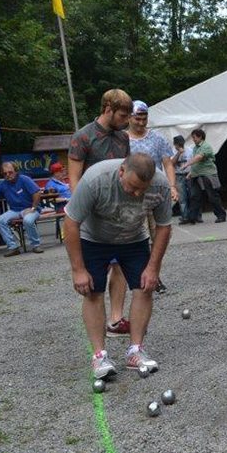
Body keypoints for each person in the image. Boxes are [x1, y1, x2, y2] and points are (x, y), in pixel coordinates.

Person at [64, 154, 172, 379]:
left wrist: (153, 267)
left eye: (143, 189)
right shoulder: (96, 179)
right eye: (133, 188)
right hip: (94, 240)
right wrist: (78, 270)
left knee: (145, 287)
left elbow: (163, 227)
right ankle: (99, 356)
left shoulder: (160, 185)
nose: (138, 194)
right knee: (93, 292)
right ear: (121, 172)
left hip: (134, 240)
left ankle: (135, 351)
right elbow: (71, 223)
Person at [68, 88, 132, 337]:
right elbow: (74, 180)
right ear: (108, 110)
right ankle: (96, 319)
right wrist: (79, 215)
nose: (126, 121)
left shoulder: (123, 138)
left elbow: (126, 172)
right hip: (91, 213)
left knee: (121, 266)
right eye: (123, 115)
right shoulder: (82, 137)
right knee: (98, 270)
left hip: (119, 212)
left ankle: (116, 320)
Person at [127, 100, 178, 293]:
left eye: (144, 118)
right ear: (130, 118)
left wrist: (172, 186)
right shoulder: (123, 140)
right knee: (140, 236)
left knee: (160, 236)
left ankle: (154, 273)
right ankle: (142, 275)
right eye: (137, 118)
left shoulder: (157, 138)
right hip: (134, 196)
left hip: (157, 193)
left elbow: (168, 163)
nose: (141, 122)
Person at [0, 162, 43, 256]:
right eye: (4, 173)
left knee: (27, 220)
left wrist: (33, 207)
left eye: (10, 172)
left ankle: (36, 245)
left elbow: (37, 192)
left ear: (16, 171)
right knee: (0, 220)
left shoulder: (24, 179)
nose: (7, 175)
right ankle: (13, 247)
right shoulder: (3, 184)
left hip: (30, 208)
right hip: (15, 210)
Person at [182, 128, 227, 224]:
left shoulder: (206, 146)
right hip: (197, 174)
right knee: (195, 196)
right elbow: (196, 163)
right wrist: (191, 173)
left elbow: (199, 158)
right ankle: (192, 218)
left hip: (207, 174)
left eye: (194, 137)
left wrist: (187, 164)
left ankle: (221, 215)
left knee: (212, 195)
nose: (193, 139)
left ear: (200, 137)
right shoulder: (195, 148)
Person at [172, 135, 193, 219]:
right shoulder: (172, 151)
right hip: (179, 175)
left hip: (189, 174)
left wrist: (191, 172)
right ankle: (185, 216)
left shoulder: (190, 150)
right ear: (175, 144)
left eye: (182, 144)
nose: (180, 146)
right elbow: (171, 163)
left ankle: (196, 215)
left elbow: (194, 162)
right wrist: (179, 153)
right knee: (182, 197)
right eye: (178, 145)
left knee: (193, 195)